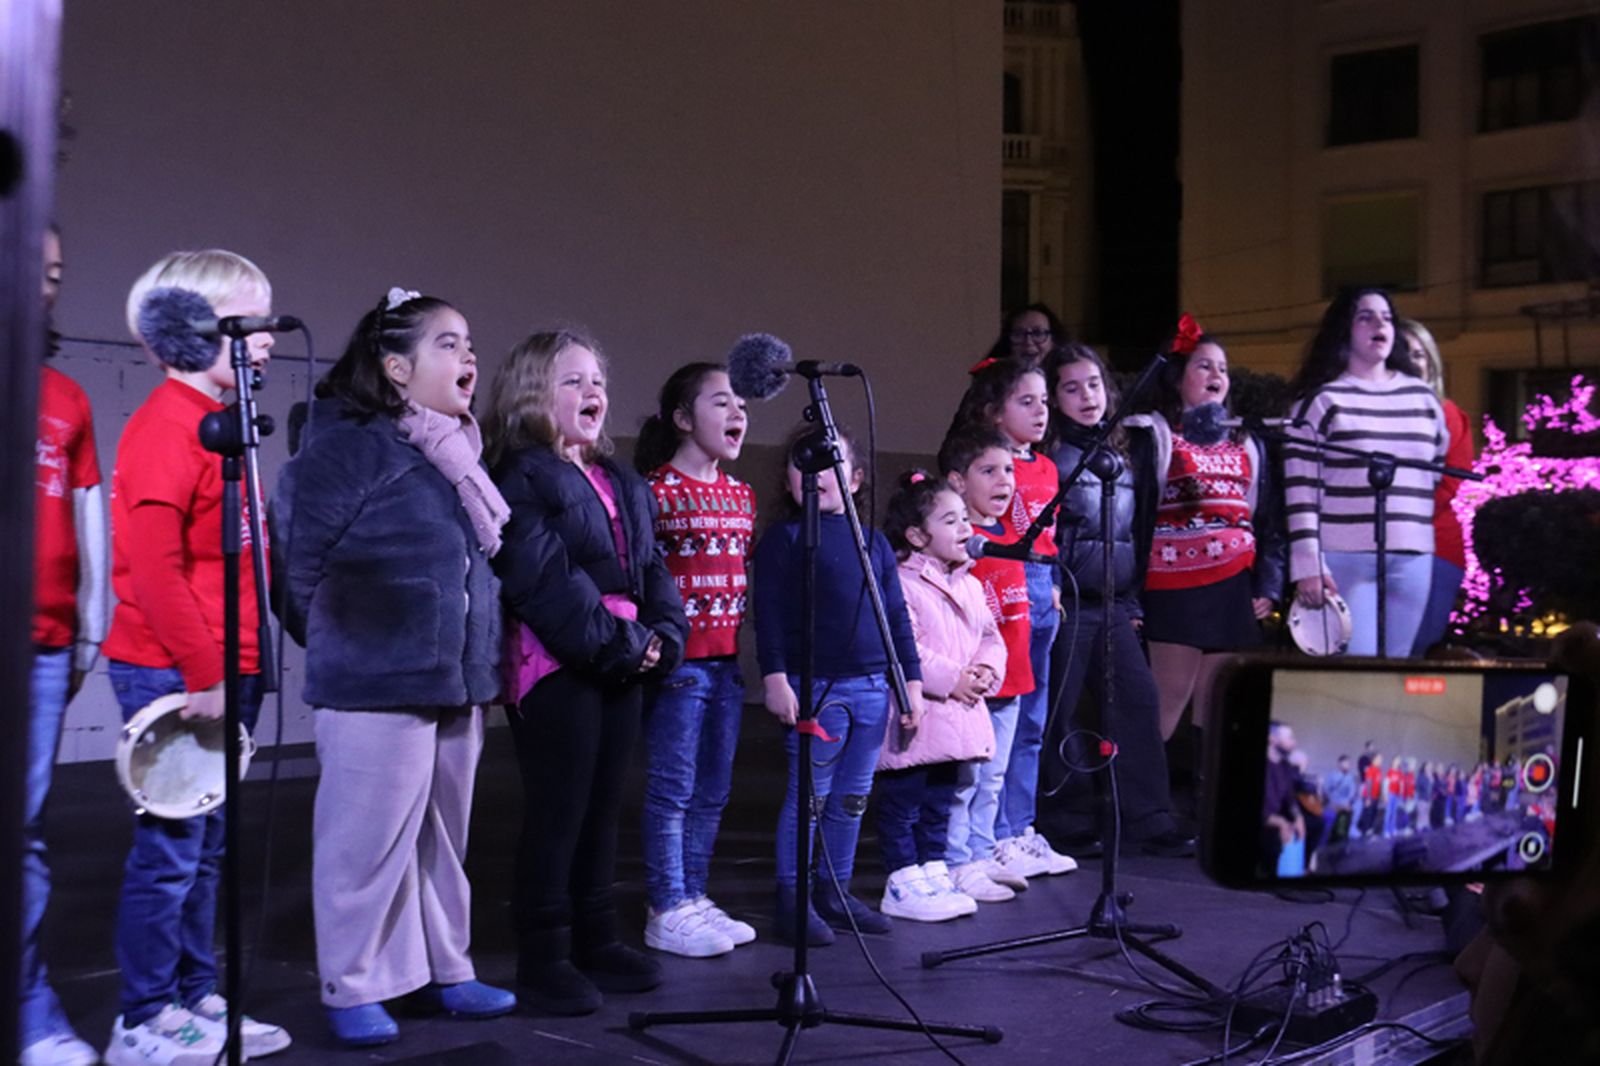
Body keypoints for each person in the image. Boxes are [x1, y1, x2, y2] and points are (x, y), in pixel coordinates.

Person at [272, 289, 515, 1046]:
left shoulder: (456, 452)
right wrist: (354, 642)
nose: (468, 356)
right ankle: (352, 983)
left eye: (469, 343)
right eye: (448, 343)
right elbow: (295, 570)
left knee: (442, 841)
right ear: (395, 367)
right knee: (365, 843)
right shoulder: (346, 446)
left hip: (455, 680)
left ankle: (445, 969)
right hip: (375, 682)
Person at [102, 250, 291, 1064]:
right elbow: (155, 571)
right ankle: (143, 1017)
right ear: (195, 328)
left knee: (207, 851)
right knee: (171, 854)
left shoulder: (222, 425)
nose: (268, 338)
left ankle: (194, 994)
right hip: (177, 670)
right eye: (250, 321)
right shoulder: (165, 427)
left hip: (227, 667)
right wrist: (205, 673)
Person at [486, 329, 688, 1015]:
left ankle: (597, 937)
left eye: (596, 380)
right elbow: (544, 579)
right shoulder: (520, 475)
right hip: (559, 663)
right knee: (560, 809)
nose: (591, 392)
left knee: (605, 806)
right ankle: (545, 954)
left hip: (622, 657)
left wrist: (663, 636)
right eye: (571, 381)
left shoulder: (619, 478)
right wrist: (625, 644)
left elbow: (651, 566)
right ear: (532, 394)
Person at [754, 423, 925, 945]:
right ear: (788, 481)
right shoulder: (785, 540)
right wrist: (775, 677)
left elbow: (896, 616)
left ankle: (834, 888)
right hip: (817, 689)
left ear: (854, 479)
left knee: (853, 797)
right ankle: (793, 897)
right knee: (810, 797)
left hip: (872, 688)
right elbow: (769, 614)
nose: (817, 473)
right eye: (804, 463)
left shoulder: (873, 543)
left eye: (831, 462)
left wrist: (911, 682)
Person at [1036, 343, 1193, 857]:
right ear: (1055, 397)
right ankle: (1066, 819)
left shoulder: (1122, 453)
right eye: (1071, 388)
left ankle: (1148, 817)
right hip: (1068, 602)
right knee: (1060, 714)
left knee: (1138, 701)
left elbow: (1133, 533)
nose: (1087, 396)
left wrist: (1131, 601)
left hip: (1114, 604)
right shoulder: (1051, 456)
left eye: (1094, 384)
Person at [632, 363, 757, 958]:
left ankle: (693, 895)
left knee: (713, 789)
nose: (737, 413)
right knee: (673, 788)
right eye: (721, 402)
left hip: (726, 663)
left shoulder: (741, 495)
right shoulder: (654, 492)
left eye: (740, 405)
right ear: (683, 418)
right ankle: (666, 904)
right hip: (679, 666)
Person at [22, 225, 107, 1066]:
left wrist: (88, 626)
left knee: (24, 832)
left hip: (43, 642)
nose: (47, 284)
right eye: (32, 266)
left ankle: (27, 1006)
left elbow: (87, 514)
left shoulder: (65, 397)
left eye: (56, 272)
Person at [948, 358, 1077, 879]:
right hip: (1001, 585)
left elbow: (1049, 537)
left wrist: (1051, 587)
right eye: (1026, 401)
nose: (1041, 410)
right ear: (994, 412)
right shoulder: (989, 464)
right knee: (994, 725)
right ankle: (987, 838)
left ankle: (1017, 828)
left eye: (1044, 401)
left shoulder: (1047, 466)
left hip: (1040, 591)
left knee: (1031, 723)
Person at [1138, 315, 1284, 756]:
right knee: (1167, 703)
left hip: (1233, 589)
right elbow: (1137, 515)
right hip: (1175, 588)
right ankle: (1147, 795)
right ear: (1178, 378)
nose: (1216, 374)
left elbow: (1267, 520)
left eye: (1222, 368)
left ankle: (1206, 796)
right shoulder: (1156, 433)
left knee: (1218, 710)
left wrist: (1268, 585)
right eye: (1203, 366)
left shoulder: (1247, 442)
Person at [1284, 289, 1449, 657]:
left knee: (1399, 666)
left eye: (1387, 318)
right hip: (1344, 556)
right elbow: (1300, 491)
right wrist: (1308, 564)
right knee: (1356, 668)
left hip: (1412, 554)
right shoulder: (1321, 401)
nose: (1380, 325)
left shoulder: (1422, 399)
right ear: (1344, 329)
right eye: (1366, 317)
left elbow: (1433, 471)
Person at [874, 470, 1005, 921]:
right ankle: (902, 878)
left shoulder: (970, 583)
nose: (966, 528)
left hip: (957, 717)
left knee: (940, 801)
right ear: (916, 535)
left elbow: (990, 636)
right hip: (919, 715)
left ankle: (933, 868)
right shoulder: (902, 582)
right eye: (951, 521)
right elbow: (905, 646)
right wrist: (954, 679)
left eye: (965, 518)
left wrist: (986, 670)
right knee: (903, 801)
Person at [937, 429, 1035, 903]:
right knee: (965, 780)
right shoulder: (961, 544)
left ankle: (981, 849)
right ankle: (956, 860)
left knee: (993, 778)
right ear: (958, 481)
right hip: (973, 685)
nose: (1004, 480)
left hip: (1010, 677)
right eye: (989, 470)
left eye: (1009, 470)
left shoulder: (1010, 534)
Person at [1396, 318, 1476, 655]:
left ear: (1431, 363)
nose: (1411, 362)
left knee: (1414, 650)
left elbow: (1448, 484)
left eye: (1419, 354)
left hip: (1435, 549)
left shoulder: (1447, 413)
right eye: (1402, 353)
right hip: (1374, 548)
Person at [1262, 722, 1305, 877]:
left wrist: (1298, 817)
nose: (1294, 742)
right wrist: (1280, 822)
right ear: (1272, 739)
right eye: (1289, 738)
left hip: (1274, 821)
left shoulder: (1285, 766)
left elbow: (1290, 798)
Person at [974, 303, 1071, 368]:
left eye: (1038, 333)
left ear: (1054, 340)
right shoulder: (989, 384)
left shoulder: (1068, 380)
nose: (1028, 341)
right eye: (1019, 334)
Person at [1320, 755, 1358, 848]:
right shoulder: (1332, 775)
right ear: (1339, 764)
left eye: (1348, 763)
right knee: (1331, 823)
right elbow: (1326, 789)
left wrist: (1349, 801)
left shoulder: (1350, 777)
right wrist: (1332, 802)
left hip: (1345, 803)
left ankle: (1344, 836)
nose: (1347, 765)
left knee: (1345, 820)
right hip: (1334, 802)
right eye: (1345, 763)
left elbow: (1352, 790)